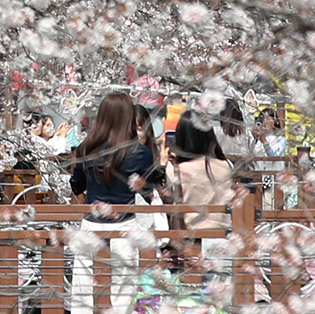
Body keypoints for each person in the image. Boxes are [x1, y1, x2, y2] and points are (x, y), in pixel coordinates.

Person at [68, 93, 157, 314]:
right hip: (125, 223)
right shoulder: (140, 152)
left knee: (82, 286)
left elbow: (76, 184)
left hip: (91, 222)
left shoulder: (85, 149)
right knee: (123, 288)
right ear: (128, 117)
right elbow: (147, 188)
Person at [167, 110, 236, 278]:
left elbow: (171, 202)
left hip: (192, 243)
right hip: (222, 239)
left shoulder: (176, 170)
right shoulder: (227, 166)